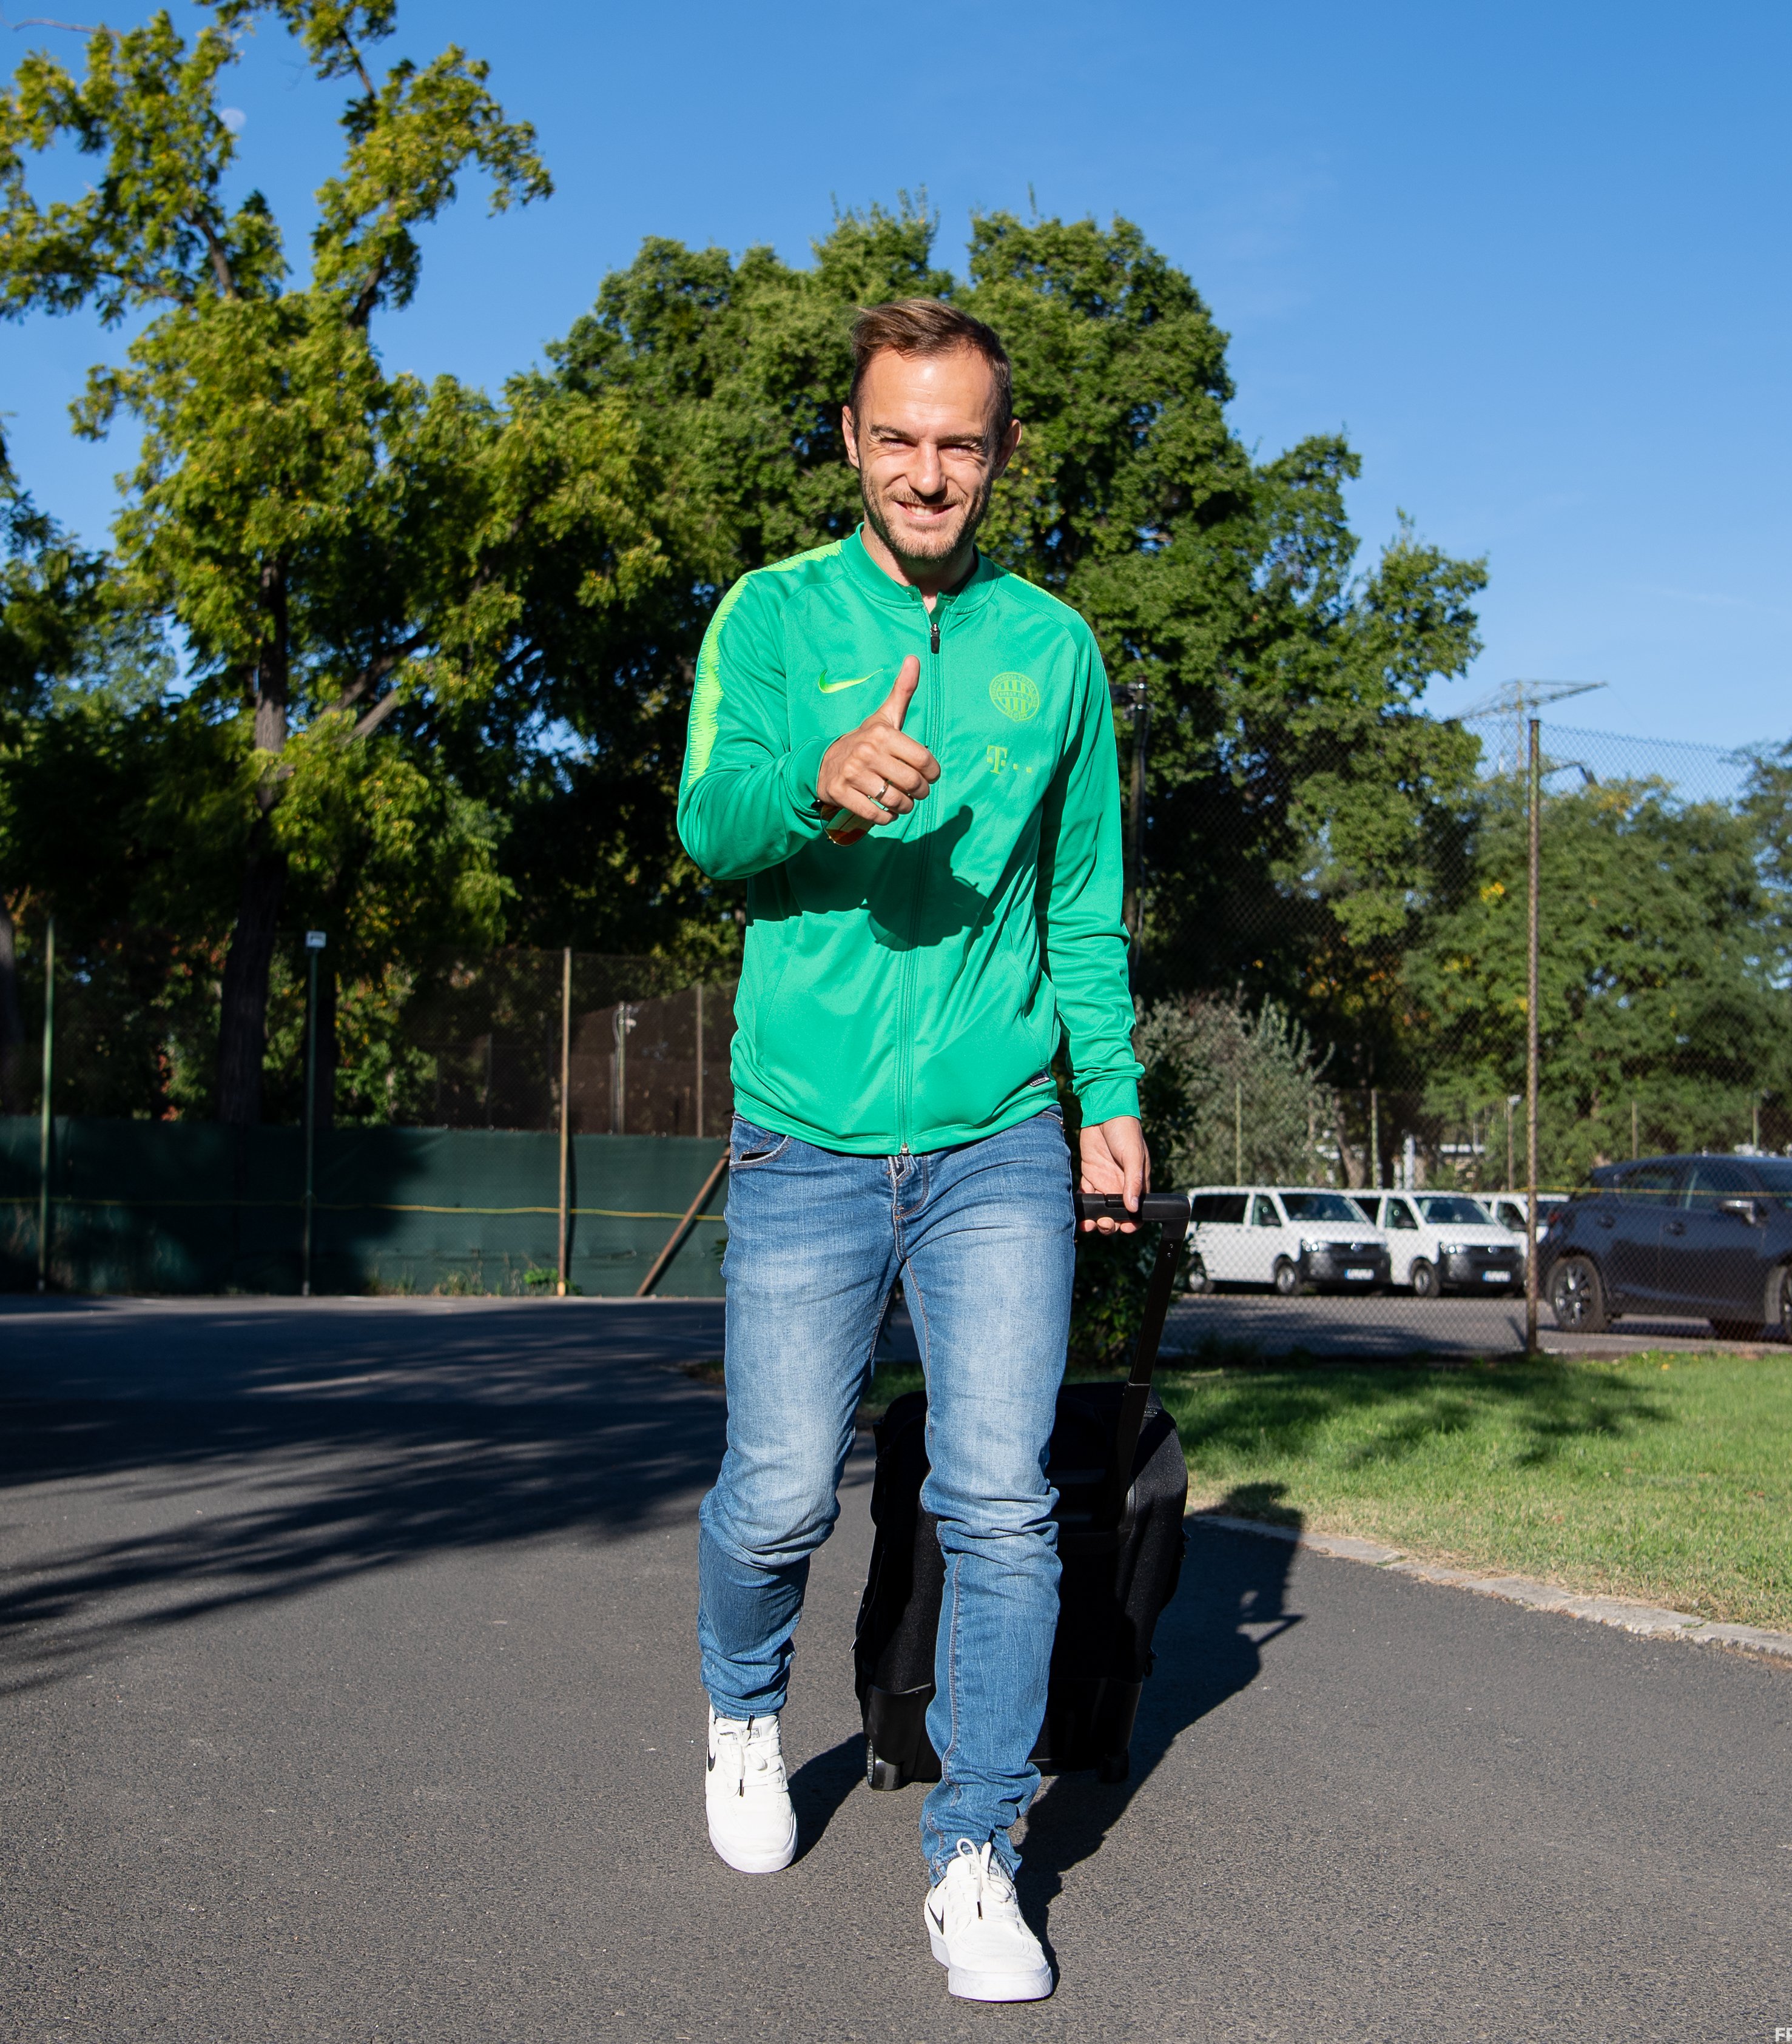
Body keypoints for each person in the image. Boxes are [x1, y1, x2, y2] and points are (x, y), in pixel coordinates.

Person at [675, 297, 1148, 2005]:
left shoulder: (1056, 650)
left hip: (997, 1136)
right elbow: (708, 825)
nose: (928, 472)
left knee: (1002, 1503)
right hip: (804, 1136)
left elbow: (1081, 903)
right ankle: (744, 1708)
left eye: (960, 442)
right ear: (853, 440)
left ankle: (977, 1851)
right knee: (782, 1492)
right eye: (898, 438)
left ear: (1001, 452)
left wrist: (1110, 1096)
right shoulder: (775, 612)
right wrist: (820, 778)